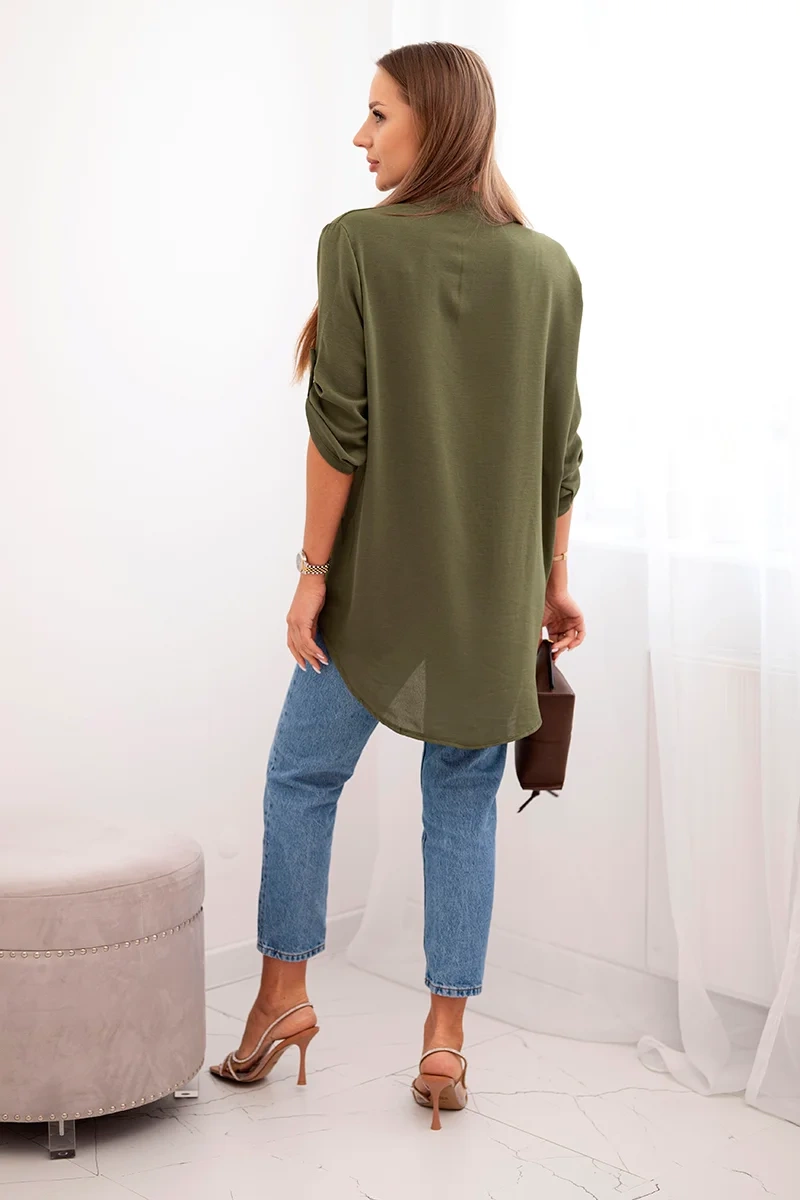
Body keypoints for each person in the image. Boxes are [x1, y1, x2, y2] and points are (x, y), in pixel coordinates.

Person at [211, 41, 586, 1130]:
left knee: (300, 778)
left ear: (435, 120)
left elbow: (340, 428)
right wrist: (553, 582)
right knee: (460, 804)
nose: (360, 136)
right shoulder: (549, 268)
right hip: (492, 602)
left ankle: (282, 999)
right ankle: (444, 1040)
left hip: (374, 592)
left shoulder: (358, 245)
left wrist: (310, 577)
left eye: (378, 114)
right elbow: (561, 451)